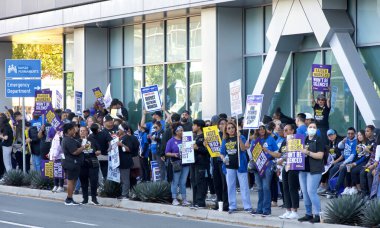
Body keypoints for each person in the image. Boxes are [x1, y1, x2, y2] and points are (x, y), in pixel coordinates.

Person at [220, 121, 252, 214]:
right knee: (230, 186)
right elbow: (221, 153)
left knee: (244, 186)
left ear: (235, 128)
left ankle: (247, 206)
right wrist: (223, 159)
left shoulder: (241, 137)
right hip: (229, 166)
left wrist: (239, 138)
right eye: (228, 128)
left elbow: (243, 149)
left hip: (240, 165)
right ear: (226, 130)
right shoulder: (225, 140)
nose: (231, 130)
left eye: (232, 127)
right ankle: (232, 206)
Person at [249, 124, 279, 217]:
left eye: (263, 129)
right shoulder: (255, 140)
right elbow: (251, 152)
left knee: (266, 187)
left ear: (265, 130)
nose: (261, 130)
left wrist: (268, 152)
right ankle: (259, 208)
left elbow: (277, 152)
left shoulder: (270, 139)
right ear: (257, 131)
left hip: (268, 163)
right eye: (259, 129)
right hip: (257, 164)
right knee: (260, 188)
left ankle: (266, 209)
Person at [298, 122, 324, 223]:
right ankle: (308, 214)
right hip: (303, 169)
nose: (312, 128)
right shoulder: (303, 139)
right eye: (310, 127)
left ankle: (318, 214)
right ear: (307, 129)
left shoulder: (319, 139)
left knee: (311, 192)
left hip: (314, 170)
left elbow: (320, 155)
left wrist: (308, 152)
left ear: (316, 129)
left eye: (314, 127)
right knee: (305, 192)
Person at [165, 123, 190, 206]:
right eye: (180, 130)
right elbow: (167, 153)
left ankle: (184, 199)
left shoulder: (186, 139)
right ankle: (174, 199)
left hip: (185, 163)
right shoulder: (171, 141)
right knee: (175, 181)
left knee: (183, 182)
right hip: (176, 163)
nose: (182, 132)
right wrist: (174, 155)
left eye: (183, 130)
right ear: (176, 132)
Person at [278, 124, 300, 219]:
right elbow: (280, 153)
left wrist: (282, 159)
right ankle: (288, 210)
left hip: (293, 165)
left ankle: (294, 210)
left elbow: (293, 153)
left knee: (292, 188)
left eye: (287, 130)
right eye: (284, 130)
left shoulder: (296, 139)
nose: (285, 132)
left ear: (292, 131)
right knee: (285, 188)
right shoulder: (284, 141)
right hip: (285, 166)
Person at [61, 123, 85, 206]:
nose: (75, 130)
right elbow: (74, 152)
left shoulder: (70, 139)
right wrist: (83, 147)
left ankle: (70, 198)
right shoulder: (67, 140)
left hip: (73, 163)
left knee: (73, 181)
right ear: (68, 130)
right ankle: (69, 199)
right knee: (71, 181)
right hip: (70, 163)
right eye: (73, 129)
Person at [329, 127, 357, 195]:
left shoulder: (355, 142)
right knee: (333, 169)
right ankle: (330, 188)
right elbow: (339, 146)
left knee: (342, 169)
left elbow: (352, 156)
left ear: (354, 134)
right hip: (345, 160)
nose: (350, 135)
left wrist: (344, 163)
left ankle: (336, 189)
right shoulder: (346, 139)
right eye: (348, 133)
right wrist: (342, 141)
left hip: (350, 161)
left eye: (352, 134)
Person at [209, 117, 229, 211]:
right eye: (220, 124)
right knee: (217, 184)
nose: (222, 125)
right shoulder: (215, 134)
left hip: (224, 162)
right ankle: (219, 202)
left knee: (224, 183)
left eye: (224, 123)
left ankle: (225, 204)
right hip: (215, 162)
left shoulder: (228, 136)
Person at [343, 130, 370, 195]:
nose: (359, 136)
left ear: (364, 135)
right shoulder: (358, 144)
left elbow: (365, 157)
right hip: (357, 161)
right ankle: (349, 187)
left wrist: (355, 163)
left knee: (353, 170)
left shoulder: (367, 144)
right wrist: (351, 162)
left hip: (364, 161)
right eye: (358, 135)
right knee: (348, 168)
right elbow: (356, 155)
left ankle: (358, 188)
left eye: (361, 135)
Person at [79, 125, 101, 205]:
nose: (82, 132)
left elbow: (99, 150)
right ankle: (85, 199)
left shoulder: (92, 140)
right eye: (80, 131)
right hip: (82, 163)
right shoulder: (77, 141)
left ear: (87, 132)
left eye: (84, 130)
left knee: (94, 181)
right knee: (83, 182)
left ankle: (94, 198)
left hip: (92, 162)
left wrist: (98, 152)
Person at [190, 119, 209, 209]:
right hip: (193, 162)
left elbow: (208, 151)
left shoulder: (205, 136)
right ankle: (195, 202)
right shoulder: (193, 136)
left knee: (200, 182)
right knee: (194, 182)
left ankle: (201, 202)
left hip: (201, 163)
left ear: (199, 126)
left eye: (194, 125)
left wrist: (197, 148)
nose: (192, 127)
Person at [117, 123, 139, 199]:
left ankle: (125, 194)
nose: (118, 131)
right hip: (121, 161)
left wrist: (121, 145)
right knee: (123, 178)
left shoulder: (127, 138)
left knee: (125, 178)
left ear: (123, 130)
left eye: (119, 129)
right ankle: (124, 193)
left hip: (125, 161)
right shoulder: (121, 137)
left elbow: (129, 149)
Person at [317, 129, 343, 194]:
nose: (330, 137)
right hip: (333, 161)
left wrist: (336, 161)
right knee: (324, 166)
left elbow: (343, 155)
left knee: (330, 169)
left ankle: (329, 188)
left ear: (335, 134)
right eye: (329, 136)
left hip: (340, 161)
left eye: (332, 135)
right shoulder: (330, 143)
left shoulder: (340, 142)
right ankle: (323, 185)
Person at [360, 125, 378, 196]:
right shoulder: (375, 144)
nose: (366, 133)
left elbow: (377, 158)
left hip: (376, 165)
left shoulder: (375, 143)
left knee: (369, 174)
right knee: (362, 172)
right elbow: (372, 156)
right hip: (372, 164)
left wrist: (373, 165)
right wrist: (368, 164)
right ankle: (365, 194)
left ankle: (372, 195)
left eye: (368, 131)